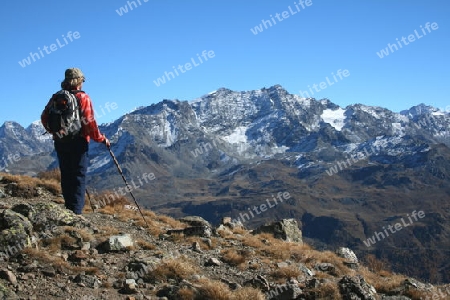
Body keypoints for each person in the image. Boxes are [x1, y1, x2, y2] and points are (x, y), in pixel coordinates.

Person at [41, 68, 110, 214]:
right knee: (78, 176)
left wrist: (55, 132)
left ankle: (69, 209)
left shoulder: (57, 97)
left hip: (60, 141)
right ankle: (76, 213)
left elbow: (44, 117)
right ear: (79, 81)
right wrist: (101, 139)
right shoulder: (83, 98)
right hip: (78, 142)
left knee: (66, 175)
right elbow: (89, 124)